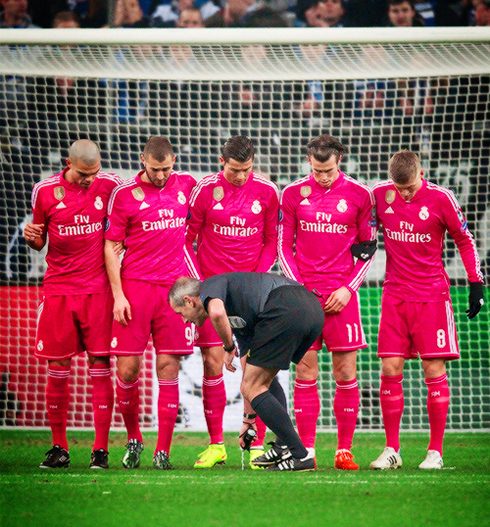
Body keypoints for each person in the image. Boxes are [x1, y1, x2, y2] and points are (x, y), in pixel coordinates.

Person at [371, 150, 484, 470]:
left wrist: (476, 284)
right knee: (390, 369)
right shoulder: (381, 194)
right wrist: (364, 243)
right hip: (394, 297)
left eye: (409, 187)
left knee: (433, 372)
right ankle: (392, 449)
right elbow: (365, 226)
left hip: (432, 297)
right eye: (399, 187)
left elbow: (464, 239)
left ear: (421, 173)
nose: (403, 193)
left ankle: (435, 451)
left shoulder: (441, 198)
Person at [278, 134, 377, 470]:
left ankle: (344, 450)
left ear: (340, 161)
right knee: (305, 371)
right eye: (318, 170)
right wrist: (299, 289)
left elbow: (367, 249)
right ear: (309, 161)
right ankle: (306, 450)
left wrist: (349, 288)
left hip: (342, 296)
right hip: (304, 297)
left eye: (329, 170)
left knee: (345, 371)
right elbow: (283, 248)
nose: (323, 176)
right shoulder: (292, 194)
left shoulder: (360, 195)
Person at [23, 139, 122, 469]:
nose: (89, 180)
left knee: (100, 366)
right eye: (82, 174)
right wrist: (32, 235)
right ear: (68, 163)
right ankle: (59, 447)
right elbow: (39, 241)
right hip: (59, 290)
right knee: (58, 367)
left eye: (93, 173)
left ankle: (100, 449)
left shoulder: (110, 186)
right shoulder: (45, 191)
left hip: (98, 290)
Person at [185, 135, 279, 469]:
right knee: (211, 363)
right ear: (221, 162)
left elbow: (271, 242)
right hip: (214, 295)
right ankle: (215, 446)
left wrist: (256, 280)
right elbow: (188, 239)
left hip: (252, 294)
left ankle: (255, 444)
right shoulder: (204, 191)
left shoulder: (267, 192)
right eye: (235, 169)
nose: (241, 176)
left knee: (256, 370)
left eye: (247, 169)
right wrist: (204, 285)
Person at [168, 273, 325, 471]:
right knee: (261, 380)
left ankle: (301, 456)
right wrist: (248, 421)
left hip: (286, 306)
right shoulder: (240, 312)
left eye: (180, 313)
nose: (183, 321)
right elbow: (248, 369)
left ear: (188, 301)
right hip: (311, 310)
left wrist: (227, 346)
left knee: (252, 386)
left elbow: (216, 313)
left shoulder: (208, 288)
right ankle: (283, 444)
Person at [104, 136, 196, 470]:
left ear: (175, 160)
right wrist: (118, 295)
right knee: (127, 371)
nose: (160, 175)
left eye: (166, 168)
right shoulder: (125, 195)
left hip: (173, 293)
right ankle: (133, 437)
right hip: (135, 289)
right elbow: (111, 246)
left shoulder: (187, 185)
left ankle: (163, 450)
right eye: (155, 169)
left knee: (168, 369)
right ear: (143, 160)